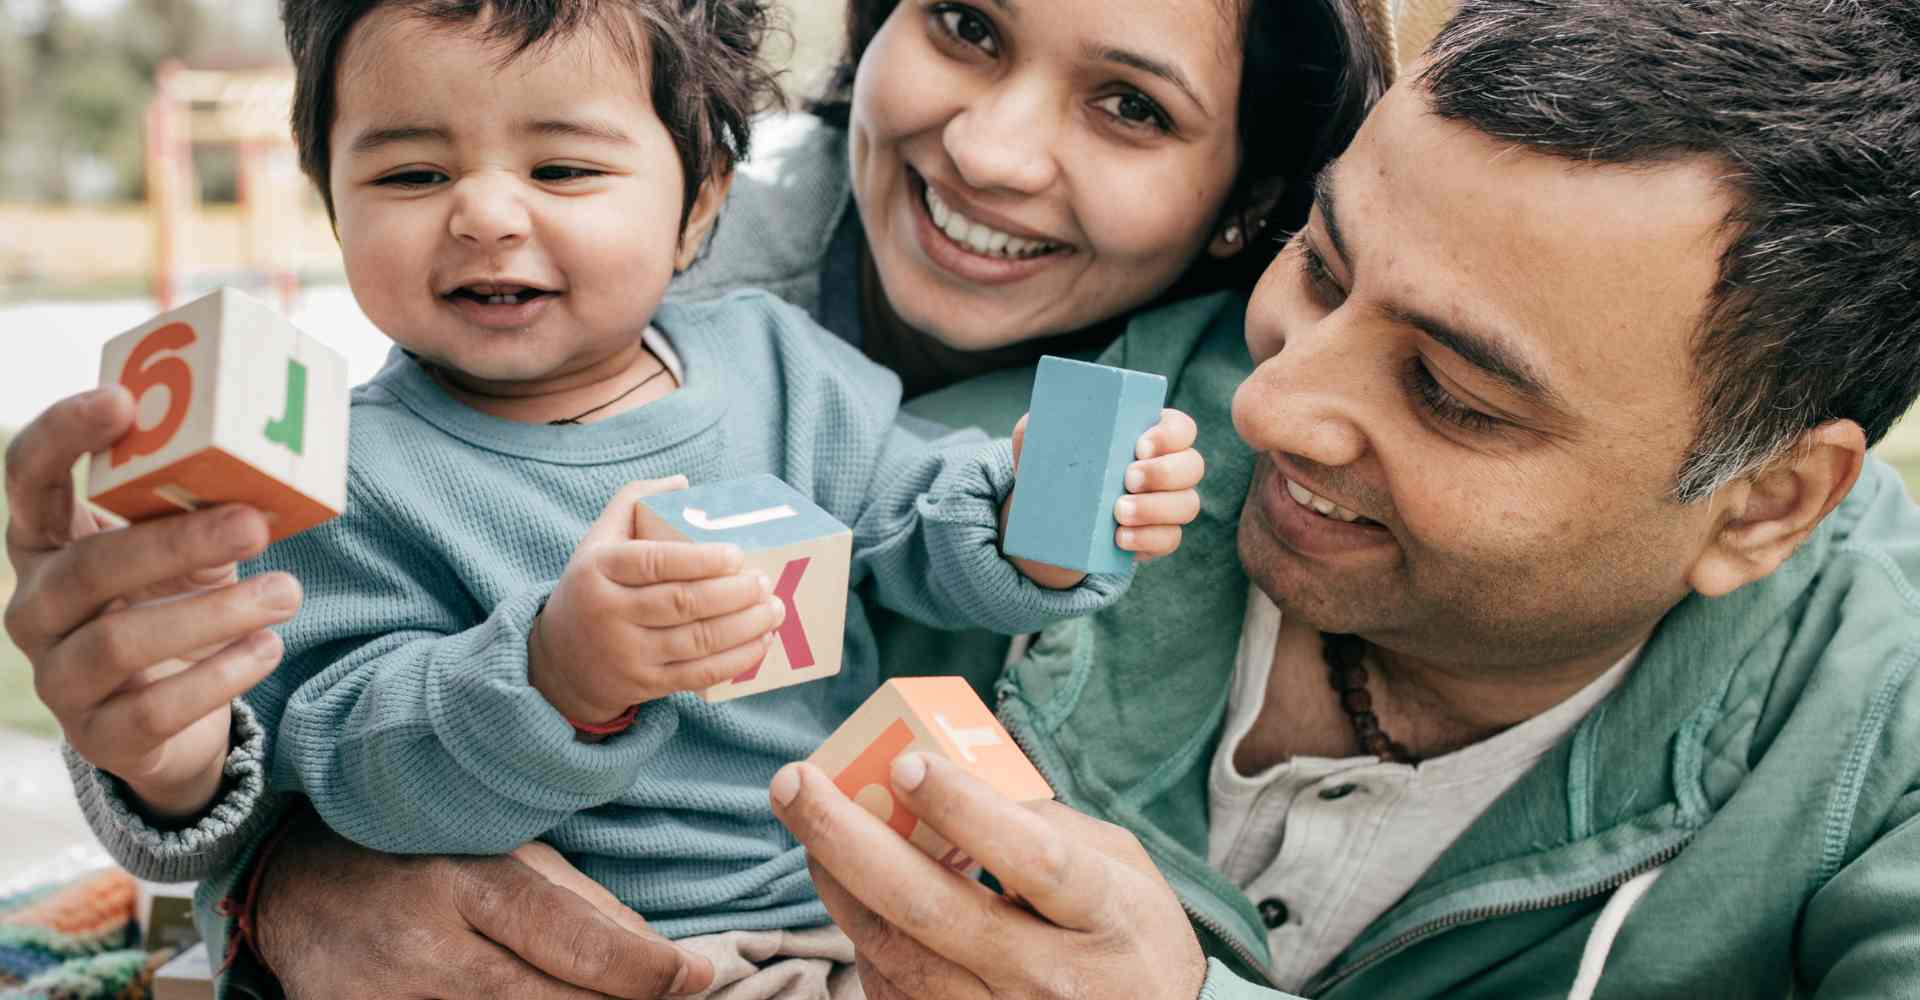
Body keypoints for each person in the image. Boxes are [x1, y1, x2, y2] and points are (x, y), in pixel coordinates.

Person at [4, 0, 1387, 996]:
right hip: (552, 955)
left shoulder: (784, 371)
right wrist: (554, 676)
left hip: (828, 934)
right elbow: (339, 761)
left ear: (697, 203)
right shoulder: (350, 480)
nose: (486, 213)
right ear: (330, 199)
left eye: (562, 169)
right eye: (412, 171)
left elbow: (912, 526)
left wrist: (1042, 514)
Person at [764, 0, 1920, 996]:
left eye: (1450, 392)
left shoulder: (1883, 757)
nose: (1271, 407)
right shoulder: (993, 469)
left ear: (1767, 504)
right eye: (1321, 264)